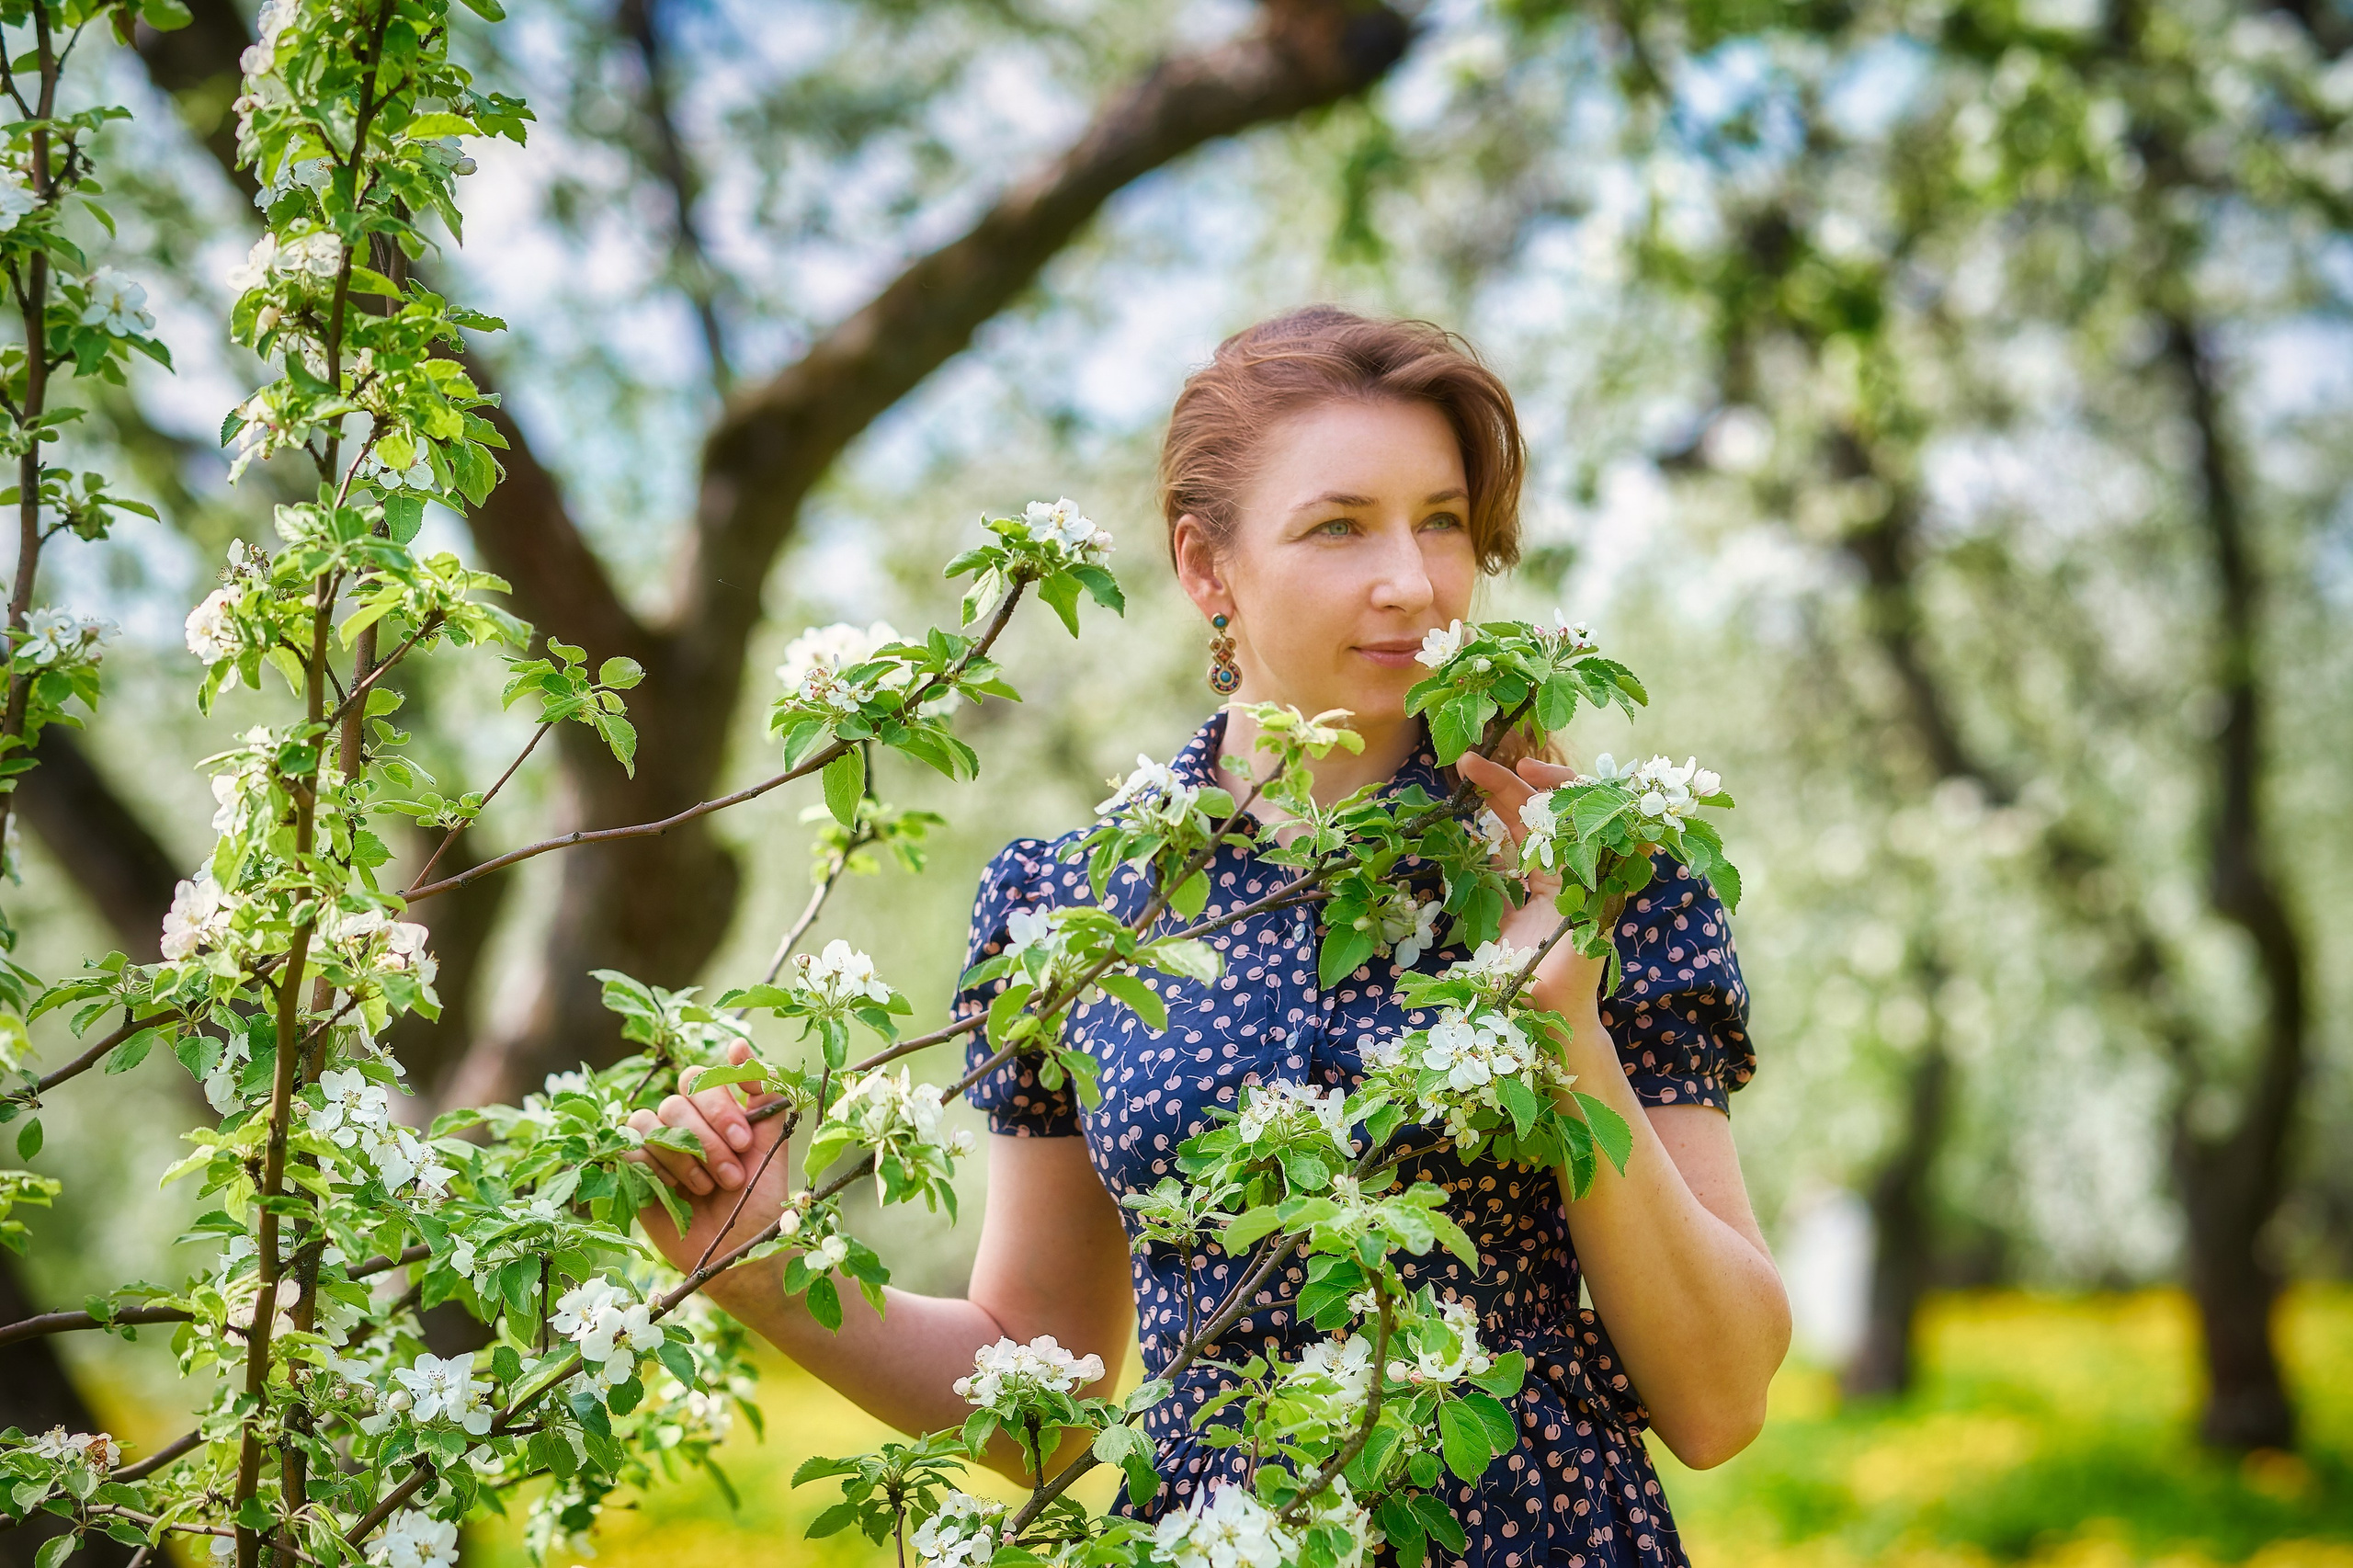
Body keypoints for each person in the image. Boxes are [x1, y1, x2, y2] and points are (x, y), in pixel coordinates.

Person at [626, 307, 1791, 1567]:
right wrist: (757, 1266)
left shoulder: (1595, 869)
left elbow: (1719, 1402)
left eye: (1442, 519)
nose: (1413, 577)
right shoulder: (1072, 913)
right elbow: (1047, 1408)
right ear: (1206, 568)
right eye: (1340, 525)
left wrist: (1564, 1016)